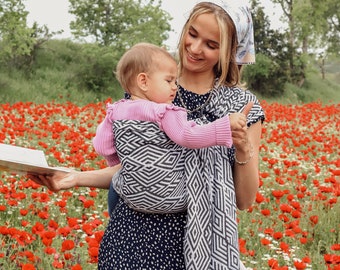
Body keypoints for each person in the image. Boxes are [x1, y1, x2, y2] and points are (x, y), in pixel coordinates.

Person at [29, 1, 265, 269]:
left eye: (211, 45)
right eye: (193, 34)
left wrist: (244, 148)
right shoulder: (149, 89)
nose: (195, 48)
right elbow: (136, 168)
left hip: (202, 247)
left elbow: (244, 201)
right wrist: (73, 179)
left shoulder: (241, 107)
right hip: (133, 239)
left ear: (229, 51)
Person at [93, 42, 248, 214]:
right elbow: (188, 136)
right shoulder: (163, 111)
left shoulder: (115, 111)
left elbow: (101, 145)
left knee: (117, 184)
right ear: (143, 81)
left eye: (175, 80)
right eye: (169, 80)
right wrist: (226, 124)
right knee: (202, 180)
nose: (175, 86)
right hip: (170, 197)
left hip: (131, 197)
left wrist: (120, 163)